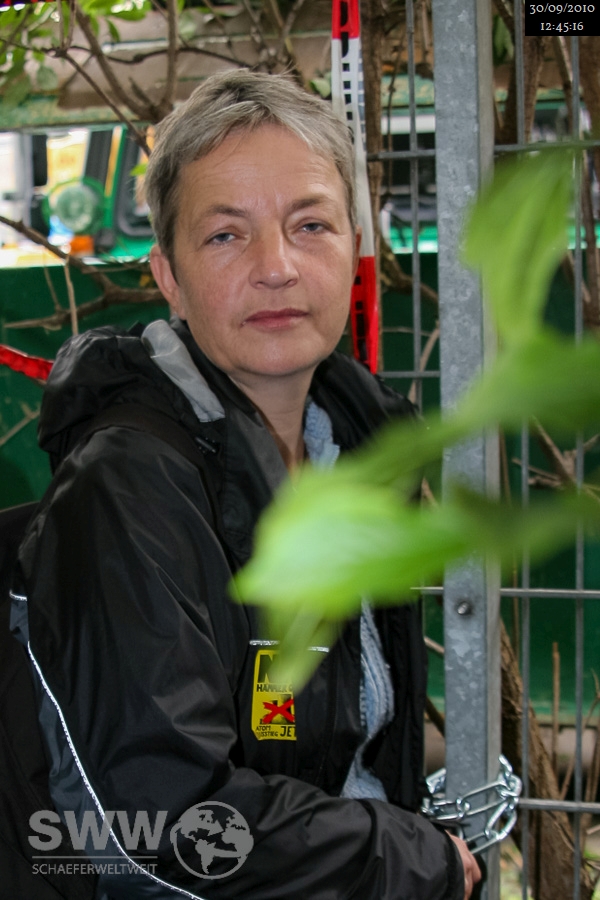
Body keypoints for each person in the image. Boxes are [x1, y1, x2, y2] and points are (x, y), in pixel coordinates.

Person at [13, 70, 481, 899]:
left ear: (354, 248)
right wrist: (419, 862)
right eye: (226, 235)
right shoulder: (128, 486)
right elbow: (165, 826)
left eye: (310, 225)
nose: (277, 267)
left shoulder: (361, 458)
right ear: (168, 275)